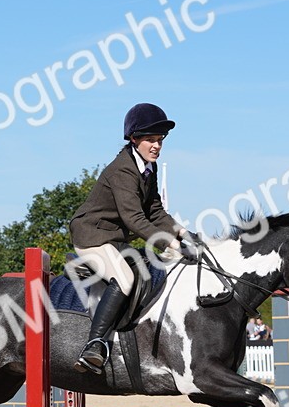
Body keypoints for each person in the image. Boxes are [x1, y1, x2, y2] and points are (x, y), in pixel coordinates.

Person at [68, 103, 199, 372]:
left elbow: (154, 210)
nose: (157, 146)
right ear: (134, 138)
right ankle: (95, 345)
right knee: (125, 279)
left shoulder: (148, 168)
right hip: (92, 236)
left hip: (114, 239)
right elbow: (135, 219)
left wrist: (186, 234)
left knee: (146, 271)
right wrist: (173, 245)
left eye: (160, 140)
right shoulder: (123, 170)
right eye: (151, 140)